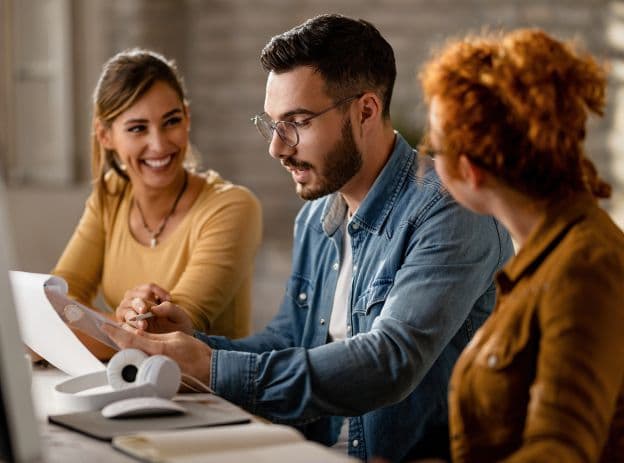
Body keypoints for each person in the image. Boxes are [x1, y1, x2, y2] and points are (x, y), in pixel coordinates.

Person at [103, 15, 513, 461]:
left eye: (296, 122)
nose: (277, 148)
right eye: (272, 124)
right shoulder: (317, 215)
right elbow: (289, 341)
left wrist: (212, 368)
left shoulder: (450, 210)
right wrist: (197, 346)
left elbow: (389, 362)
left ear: (366, 111)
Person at [419, 29, 624, 462]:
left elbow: (559, 450)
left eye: (434, 147)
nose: (426, 160)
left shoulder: (585, 267)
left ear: (471, 171)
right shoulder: (545, 255)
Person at [54, 49, 262, 360]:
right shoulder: (110, 197)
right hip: (130, 382)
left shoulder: (232, 207)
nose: (159, 144)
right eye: (138, 128)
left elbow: (169, 332)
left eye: (171, 121)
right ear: (105, 135)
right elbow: (56, 299)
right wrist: (118, 324)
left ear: (187, 117)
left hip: (210, 398)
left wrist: (76, 327)